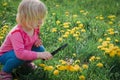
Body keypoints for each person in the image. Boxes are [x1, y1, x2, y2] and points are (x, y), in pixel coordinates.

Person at [0, 0, 53, 80]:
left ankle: (26, 63)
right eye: (37, 19)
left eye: (42, 18)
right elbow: (20, 53)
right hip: (6, 55)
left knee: (40, 49)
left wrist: (36, 41)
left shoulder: (34, 27)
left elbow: (32, 39)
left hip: (22, 51)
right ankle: (5, 72)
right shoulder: (16, 33)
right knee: (19, 57)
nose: (41, 22)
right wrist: (40, 55)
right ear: (25, 17)